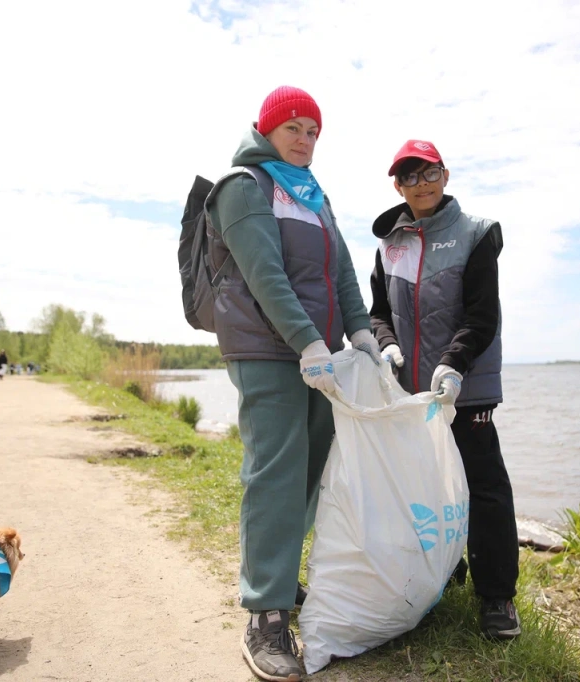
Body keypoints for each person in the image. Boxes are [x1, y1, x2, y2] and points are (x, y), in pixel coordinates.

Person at [207, 85, 379, 682]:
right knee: (276, 474)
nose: (305, 140)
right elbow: (265, 274)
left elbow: (342, 270)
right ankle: (265, 614)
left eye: (313, 131)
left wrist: (362, 333)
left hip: (320, 357)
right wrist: (307, 342)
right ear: (267, 129)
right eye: (294, 128)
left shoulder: (311, 193)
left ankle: (279, 577)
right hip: (268, 351)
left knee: (310, 471)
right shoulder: (244, 187)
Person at [369, 139, 520, 640]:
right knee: (426, 488)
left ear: (446, 175)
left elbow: (482, 314)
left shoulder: (476, 233)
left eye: (429, 172)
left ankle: (496, 598)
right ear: (398, 186)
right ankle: (444, 575)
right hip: (412, 396)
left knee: (484, 487)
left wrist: (453, 363)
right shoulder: (388, 244)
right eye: (409, 177)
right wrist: (387, 345)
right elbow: (378, 313)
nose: (422, 184)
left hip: (465, 388)